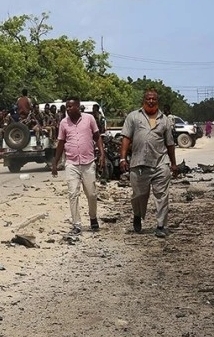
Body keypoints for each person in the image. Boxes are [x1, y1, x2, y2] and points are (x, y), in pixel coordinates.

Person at [119, 89, 178, 238]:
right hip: (139, 163)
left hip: (160, 162)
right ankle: (137, 215)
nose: (151, 101)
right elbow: (126, 138)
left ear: (157, 101)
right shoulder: (133, 117)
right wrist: (122, 158)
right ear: (143, 101)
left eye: (154, 99)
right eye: (148, 99)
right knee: (139, 195)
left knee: (162, 195)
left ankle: (160, 225)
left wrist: (173, 164)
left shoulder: (165, 120)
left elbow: (170, 144)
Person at [51, 98, 106, 234]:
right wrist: (55, 162)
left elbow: (97, 136)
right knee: (73, 193)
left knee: (91, 194)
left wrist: (102, 154)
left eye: (70, 106)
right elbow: (61, 143)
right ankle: (77, 224)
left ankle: (93, 218)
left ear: (78, 106)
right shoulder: (64, 123)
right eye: (66, 107)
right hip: (71, 163)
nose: (68, 109)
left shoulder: (89, 119)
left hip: (88, 162)